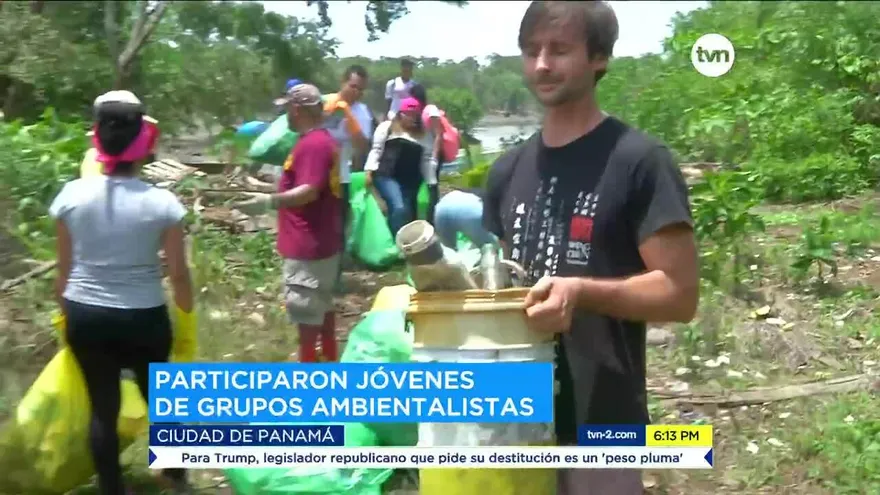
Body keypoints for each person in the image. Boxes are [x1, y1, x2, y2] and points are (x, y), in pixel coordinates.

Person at [481, 2, 699, 494]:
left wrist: (578, 291)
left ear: (599, 57)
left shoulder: (639, 162)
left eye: (559, 50)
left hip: (604, 418)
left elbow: (680, 294)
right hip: (515, 418)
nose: (541, 64)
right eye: (531, 51)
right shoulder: (507, 171)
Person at [49, 90, 193, 495]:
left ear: (97, 140)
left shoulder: (70, 197)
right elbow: (179, 274)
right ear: (143, 144)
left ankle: (111, 488)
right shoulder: (163, 203)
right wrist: (187, 316)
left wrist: (64, 313)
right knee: (163, 403)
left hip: (86, 315)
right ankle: (176, 477)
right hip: (143, 317)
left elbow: (64, 270)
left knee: (103, 407)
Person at [233, 84, 342, 363]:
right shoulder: (317, 140)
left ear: (297, 109)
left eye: (286, 110)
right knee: (322, 309)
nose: (285, 116)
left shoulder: (314, 144)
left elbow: (308, 190)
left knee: (307, 316)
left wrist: (269, 202)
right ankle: (330, 363)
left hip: (308, 245)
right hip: (319, 242)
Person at [365, 96, 437, 237]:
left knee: (409, 214)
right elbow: (376, 150)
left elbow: (426, 160)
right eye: (407, 115)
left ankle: (406, 245)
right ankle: (395, 241)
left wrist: (431, 182)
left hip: (410, 179)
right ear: (400, 114)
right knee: (399, 207)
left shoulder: (424, 135)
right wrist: (369, 170)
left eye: (414, 116)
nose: (411, 119)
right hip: (386, 175)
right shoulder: (387, 128)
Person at [323, 65, 373, 247]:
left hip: (341, 175)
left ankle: (337, 261)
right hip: (315, 171)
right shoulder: (323, 102)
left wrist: (352, 124)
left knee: (339, 222)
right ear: (343, 82)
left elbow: (362, 147)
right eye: (353, 86)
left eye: (361, 89)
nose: (357, 92)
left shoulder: (362, 113)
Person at [408, 83, 460, 224]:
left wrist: (435, 158)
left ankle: (432, 223)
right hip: (420, 154)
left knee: (432, 188)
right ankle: (415, 221)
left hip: (432, 155)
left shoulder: (430, 110)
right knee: (414, 188)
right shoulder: (415, 112)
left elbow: (438, 134)